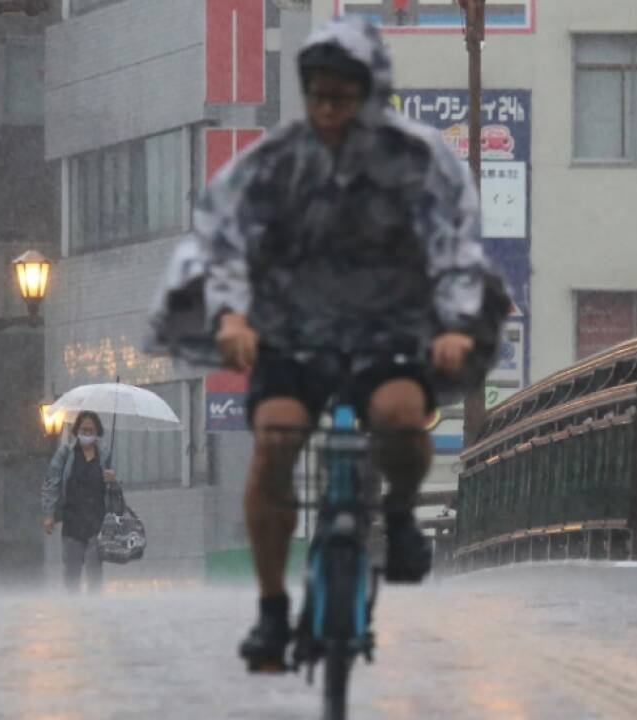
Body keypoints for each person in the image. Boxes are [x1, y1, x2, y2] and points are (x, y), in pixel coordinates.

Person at [146, 16, 510, 671]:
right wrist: (231, 317)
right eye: (319, 97)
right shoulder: (275, 168)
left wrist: (454, 326)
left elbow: (454, 252)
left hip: (385, 334)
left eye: (343, 99)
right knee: (277, 438)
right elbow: (226, 242)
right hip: (294, 336)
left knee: (401, 416)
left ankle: (398, 515)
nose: (330, 111)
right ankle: (270, 610)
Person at [41, 411, 118, 593]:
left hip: (97, 522)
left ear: (97, 432)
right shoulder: (66, 453)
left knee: (94, 571)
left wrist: (113, 480)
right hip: (72, 520)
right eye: (84, 429)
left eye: (91, 430)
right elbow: (52, 481)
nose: (87, 433)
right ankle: (73, 609)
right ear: (76, 431)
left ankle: (93, 610)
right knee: (71, 573)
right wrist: (49, 514)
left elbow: (116, 490)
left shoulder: (104, 455)